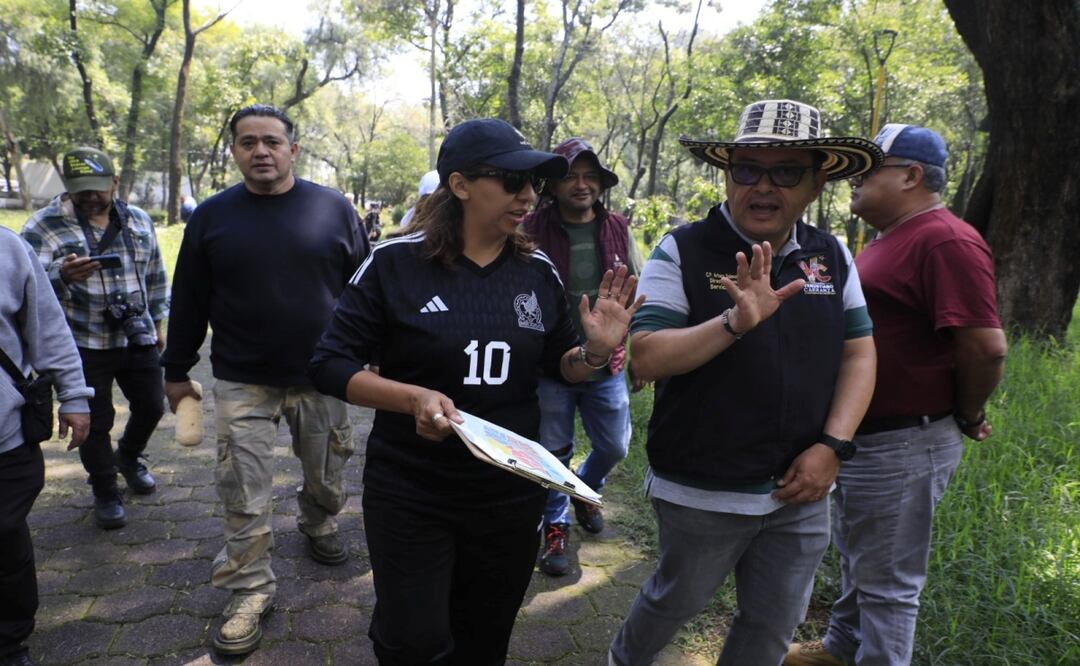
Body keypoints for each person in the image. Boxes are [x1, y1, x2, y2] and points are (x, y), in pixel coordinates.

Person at [308, 118, 644, 665]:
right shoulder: (395, 264)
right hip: (412, 487)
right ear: (461, 185)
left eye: (533, 183)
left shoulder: (537, 273)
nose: (529, 196)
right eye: (513, 182)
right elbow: (329, 364)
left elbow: (564, 369)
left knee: (485, 635)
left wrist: (596, 352)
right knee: (412, 639)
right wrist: (411, 398)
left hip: (508, 492)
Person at [608, 99, 881, 666]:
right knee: (674, 602)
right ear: (727, 173)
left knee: (775, 621)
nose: (764, 186)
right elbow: (647, 357)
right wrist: (734, 322)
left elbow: (859, 352)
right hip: (703, 485)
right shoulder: (682, 249)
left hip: (801, 489)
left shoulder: (830, 256)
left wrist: (832, 447)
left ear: (815, 183)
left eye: (786, 173)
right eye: (748, 169)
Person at [785, 125, 1007, 666]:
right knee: (864, 555)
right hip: (867, 437)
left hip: (906, 439)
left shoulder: (945, 240)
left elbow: (986, 346)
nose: (854, 181)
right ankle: (840, 648)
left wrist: (967, 410)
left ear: (910, 175)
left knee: (890, 581)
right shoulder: (895, 237)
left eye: (868, 170)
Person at [160, 104, 369, 656]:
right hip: (242, 379)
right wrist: (176, 370)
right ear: (233, 150)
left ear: (293, 149)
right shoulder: (211, 216)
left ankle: (318, 522)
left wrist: (375, 355)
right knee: (243, 490)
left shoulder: (333, 209)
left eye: (272, 141)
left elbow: (365, 291)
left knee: (327, 472)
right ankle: (249, 589)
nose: (261, 151)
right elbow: (189, 299)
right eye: (248, 142)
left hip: (324, 374)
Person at [21, 146, 168, 530]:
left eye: (98, 188)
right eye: (80, 188)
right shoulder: (42, 226)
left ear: (115, 183)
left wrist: (160, 321)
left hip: (136, 337)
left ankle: (129, 457)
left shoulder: (137, 220)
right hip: (81, 343)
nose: (89, 196)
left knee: (153, 405)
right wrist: (61, 277)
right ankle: (105, 489)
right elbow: (25, 289)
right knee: (94, 423)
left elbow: (155, 274)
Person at [522, 137, 642, 576]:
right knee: (552, 450)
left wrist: (638, 350)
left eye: (590, 176)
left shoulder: (618, 227)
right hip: (551, 363)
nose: (582, 184)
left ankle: (585, 490)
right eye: (571, 175)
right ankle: (554, 525)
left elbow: (637, 291)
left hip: (606, 363)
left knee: (615, 444)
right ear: (553, 184)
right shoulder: (531, 228)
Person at [1, 229, 92, 666]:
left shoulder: (7, 248)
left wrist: (74, 397)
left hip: (5, 437)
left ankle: (10, 641)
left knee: (4, 535)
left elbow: (48, 328)